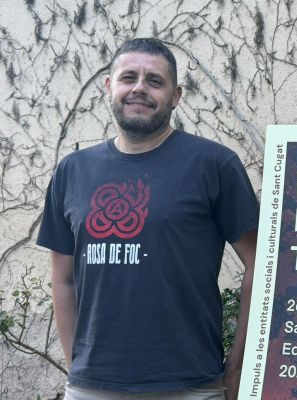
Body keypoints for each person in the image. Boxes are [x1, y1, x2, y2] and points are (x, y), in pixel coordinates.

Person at [37, 38, 259, 400]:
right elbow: (63, 280)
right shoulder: (72, 171)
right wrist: (76, 367)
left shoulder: (214, 164)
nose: (139, 88)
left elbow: (261, 264)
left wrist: (237, 369)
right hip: (91, 389)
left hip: (191, 385)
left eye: (155, 81)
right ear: (109, 87)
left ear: (176, 96)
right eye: (128, 77)